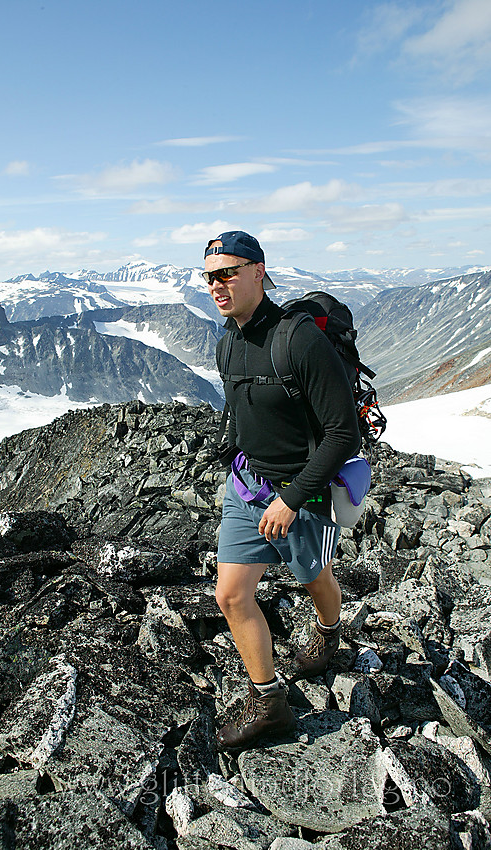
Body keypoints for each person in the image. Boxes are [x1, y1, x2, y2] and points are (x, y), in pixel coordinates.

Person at [204, 230, 361, 752]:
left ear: (258, 271)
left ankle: (329, 629)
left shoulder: (300, 340)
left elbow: (342, 434)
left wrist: (291, 499)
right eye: (209, 277)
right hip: (247, 488)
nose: (217, 285)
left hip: (304, 496)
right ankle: (269, 705)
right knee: (230, 594)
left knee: (315, 579)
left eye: (227, 273)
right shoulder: (228, 341)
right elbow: (242, 409)